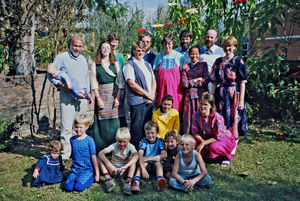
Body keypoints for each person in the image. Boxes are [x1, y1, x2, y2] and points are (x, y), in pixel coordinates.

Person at [52, 35, 91, 160]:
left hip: (82, 98)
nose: (77, 49)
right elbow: (51, 75)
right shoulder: (61, 57)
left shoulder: (83, 59)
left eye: (80, 46)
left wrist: (88, 95)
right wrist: (62, 84)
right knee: (67, 128)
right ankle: (64, 156)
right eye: (75, 46)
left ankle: (77, 154)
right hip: (67, 97)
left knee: (79, 127)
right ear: (70, 45)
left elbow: (87, 79)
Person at [211, 36, 248, 155]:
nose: (227, 48)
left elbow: (242, 82)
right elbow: (213, 80)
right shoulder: (218, 62)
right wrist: (211, 97)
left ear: (235, 47)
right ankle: (222, 143)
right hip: (220, 94)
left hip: (234, 94)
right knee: (221, 118)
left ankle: (233, 145)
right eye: (225, 46)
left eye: (230, 46)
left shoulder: (238, 61)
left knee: (234, 118)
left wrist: (241, 100)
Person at [90, 41, 124, 152]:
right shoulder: (95, 64)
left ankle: (116, 148)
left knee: (115, 122)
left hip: (113, 95)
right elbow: (94, 82)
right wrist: (98, 99)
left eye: (107, 48)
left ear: (110, 50)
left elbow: (120, 80)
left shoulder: (115, 63)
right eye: (103, 47)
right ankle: (101, 148)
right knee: (102, 122)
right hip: (101, 95)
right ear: (100, 49)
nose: (105, 49)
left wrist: (117, 97)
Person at [123, 41, 156, 148]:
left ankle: (145, 149)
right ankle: (135, 152)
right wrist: (147, 94)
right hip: (137, 102)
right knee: (137, 128)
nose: (140, 53)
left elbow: (153, 80)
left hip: (149, 100)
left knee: (146, 128)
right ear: (133, 51)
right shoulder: (130, 65)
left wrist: (152, 94)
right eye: (138, 50)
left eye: (142, 50)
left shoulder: (146, 64)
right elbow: (132, 84)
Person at [191, 92, 236, 167]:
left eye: (205, 104)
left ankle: (224, 157)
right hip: (207, 137)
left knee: (213, 147)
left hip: (222, 138)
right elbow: (195, 132)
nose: (202, 106)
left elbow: (218, 136)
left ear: (211, 105)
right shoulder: (196, 115)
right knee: (191, 142)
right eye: (201, 103)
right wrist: (203, 142)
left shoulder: (217, 117)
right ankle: (203, 156)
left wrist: (204, 143)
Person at [98, 127, 138, 195]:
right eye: (119, 141)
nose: (122, 144)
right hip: (113, 170)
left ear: (128, 140)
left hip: (124, 171)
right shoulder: (114, 145)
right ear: (116, 140)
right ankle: (108, 180)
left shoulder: (130, 146)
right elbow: (100, 153)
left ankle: (128, 182)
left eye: (124, 141)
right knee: (99, 158)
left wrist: (125, 167)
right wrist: (111, 166)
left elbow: (137, 155)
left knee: (133, 159)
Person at [64, 115, 100, 192]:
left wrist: (97, 173)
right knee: (68, 188)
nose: (78, 129)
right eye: (76, 127)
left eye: (81, 127)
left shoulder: (90, 140)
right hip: (75, 169)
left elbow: (93, 157)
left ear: (86, 127)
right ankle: (74, 178)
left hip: (87, 169)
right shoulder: (72, 140)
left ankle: (91, 177)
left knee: (78, 187)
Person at [131, 121, 167, 193]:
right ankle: (136, 182)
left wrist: (148, 158)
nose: (150, 135)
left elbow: (163, 155)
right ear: (145, 133)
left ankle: (160, 180)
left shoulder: (160, 141)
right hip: (146, 164)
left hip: (156, 164)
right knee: (142, 163)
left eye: (152, 133)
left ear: (157, 132)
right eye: (148, 133)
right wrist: (143, 169)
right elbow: (140, 155)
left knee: (158, 162)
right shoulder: (143, 141)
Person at [153, 32, 185, 112]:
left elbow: (183, 74)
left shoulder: (179, 56)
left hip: (175, 90)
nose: (167, 46)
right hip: (162, 90)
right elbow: (155, 74)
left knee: (174, 111)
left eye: (169, 44)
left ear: (173, 43)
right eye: (165, 44)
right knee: (162, 111)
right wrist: (154, 90)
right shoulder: (159, 56)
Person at [182, 46, 209, 134]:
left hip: (201, 96)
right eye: (192, 54)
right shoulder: (186, 67)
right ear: (189, 55)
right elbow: (184, 84)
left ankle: (201, 137)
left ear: (199, 55)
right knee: (188, 118)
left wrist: (192, 83)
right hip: (189, 97)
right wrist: (196, 80)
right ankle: (188, 137)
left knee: (201, 116)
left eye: (196, 53)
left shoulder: (203, 65)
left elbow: (205, 80)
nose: (194, 56)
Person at [107, 33, 127, 127]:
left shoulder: (120, 57)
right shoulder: (105, 55)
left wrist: (122, 88)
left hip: (118, 87)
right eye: (112, 42)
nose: (114, 44)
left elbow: (121, 73)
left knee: (120, 111)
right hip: (108, 87)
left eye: (116, 42)